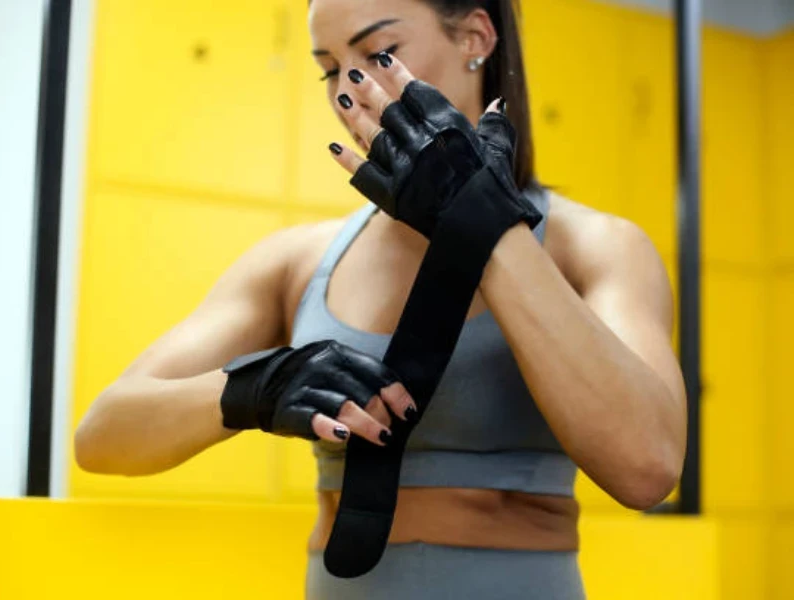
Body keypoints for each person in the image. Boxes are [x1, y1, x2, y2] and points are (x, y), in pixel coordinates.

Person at [74, 0, 687, 597]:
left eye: (378, 52)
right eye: (330, 68)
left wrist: (481, 222)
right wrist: (255, 387)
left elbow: (647, 468)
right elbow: (103, 436)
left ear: (475, 38)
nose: (352, 88)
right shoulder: (297, 261)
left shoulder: (596, 246)